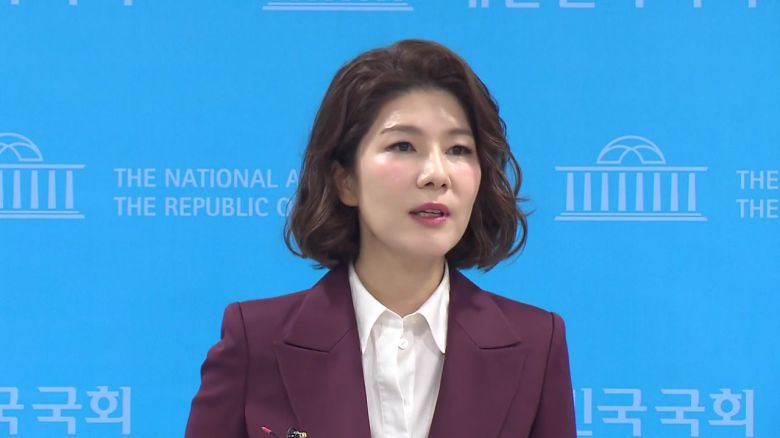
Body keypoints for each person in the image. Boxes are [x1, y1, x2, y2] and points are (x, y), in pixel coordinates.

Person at [185, 39, 576, 438]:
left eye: (458, 149)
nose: (436, 174)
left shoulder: (537, 344)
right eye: (403, 146)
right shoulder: (256, 341)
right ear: (345, 180)